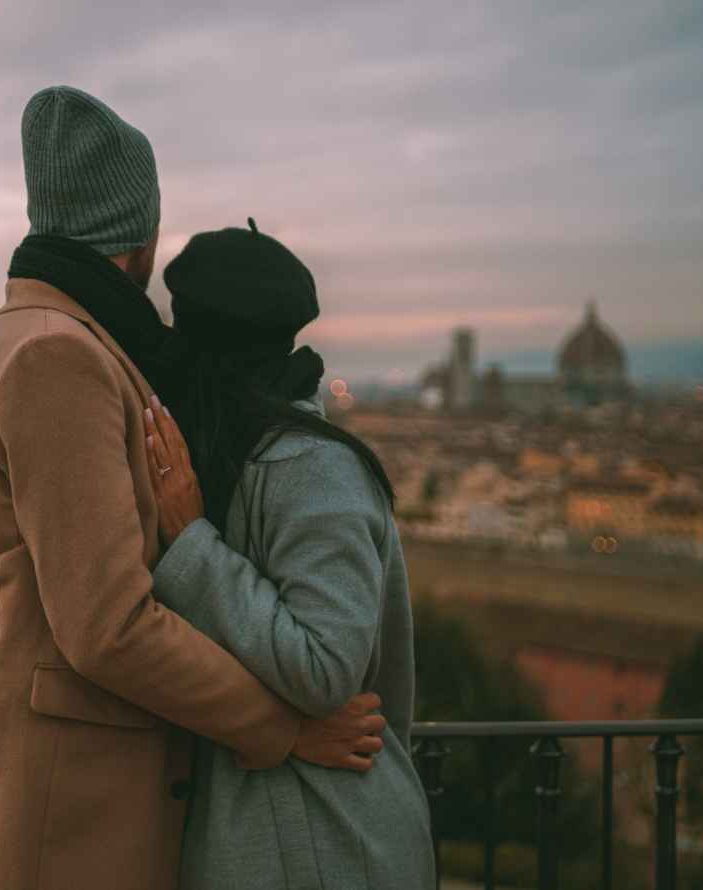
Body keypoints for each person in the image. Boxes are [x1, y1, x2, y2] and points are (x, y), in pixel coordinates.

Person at [0, 87, 387, 890]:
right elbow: (109, 624)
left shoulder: (23, 335)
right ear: (136, 233)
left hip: (63, 777)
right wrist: (281, 729)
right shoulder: (60, 357)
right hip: (74, 793)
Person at [141, 220, 438, 889]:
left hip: (327, 841)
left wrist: (193, 549)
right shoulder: (253, 455)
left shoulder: (311, 467)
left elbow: (326, 666)